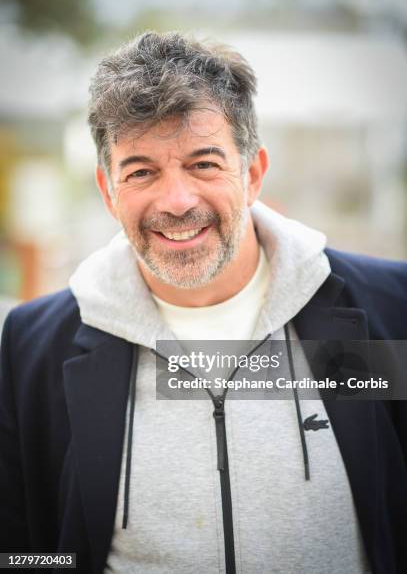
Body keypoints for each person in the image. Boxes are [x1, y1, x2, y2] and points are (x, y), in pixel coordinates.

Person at [1, 31, 406, 574]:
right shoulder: (32, 347)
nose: (176, 201)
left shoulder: (388, 310)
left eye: (204, 164)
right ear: (107, 189)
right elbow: (23, 550)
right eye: (141, 171)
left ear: (253, 173)